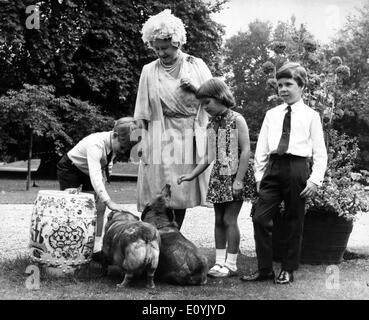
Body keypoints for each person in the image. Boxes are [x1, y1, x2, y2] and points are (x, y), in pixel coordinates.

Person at [240, 62, 328, 284]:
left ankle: (288, 268)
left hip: (297, 169)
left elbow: (320, 151)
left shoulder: (311, 116)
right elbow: (261, 147)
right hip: (273, 168)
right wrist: (260, 177)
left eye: (289, 84)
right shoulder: (272, 114)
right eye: (280, 85)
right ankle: (265, 269)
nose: (283, 89)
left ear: (302, 86)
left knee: (294, 221)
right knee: (260, 218)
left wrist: (315, 179)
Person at [134, 9, 213, 229]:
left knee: (180, 191)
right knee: (157, 190)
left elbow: (216, 99)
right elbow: (140, 112)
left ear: (177, 42)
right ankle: (156, 235)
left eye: (165, 48)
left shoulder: (195, 65)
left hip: (188, 135)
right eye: (156, 48)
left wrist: (197, 89)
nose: (160, 53)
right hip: (158, 135)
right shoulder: (148, 71)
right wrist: (139, 143)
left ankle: (174, 235)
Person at [178, 78, 256, 277]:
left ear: (221, 97)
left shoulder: (236, 119)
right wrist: (191, 175)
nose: (204, 108)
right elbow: (209, 156)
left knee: (230, 219)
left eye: (207, 103)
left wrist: (239, 180)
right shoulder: (212, 124)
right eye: (202, 104)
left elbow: (246, 150)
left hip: (235, 175)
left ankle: (231, 264)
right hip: (219, 176)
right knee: (218, 220)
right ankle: (219, 262)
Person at [57, 117, 136, 251]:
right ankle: (68, 246)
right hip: (71, 168)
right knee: (72, 207)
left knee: (99, 207)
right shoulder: (96, 144)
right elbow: (95, 175)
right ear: (115, 135)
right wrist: (109, 201)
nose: (123, 151)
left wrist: (103, 196)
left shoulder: (112, 145)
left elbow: (106, 165)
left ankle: (96, 247)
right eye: (122, 147)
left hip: (89, 171)